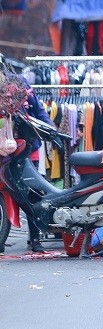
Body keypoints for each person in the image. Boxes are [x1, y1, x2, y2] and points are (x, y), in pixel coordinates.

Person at [0, 52, 55, 253]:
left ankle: (35, 238)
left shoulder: (19, 84)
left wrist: (50, 129)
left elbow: (38, 110)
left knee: (32, 192)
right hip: (3, 148)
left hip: (27, 145)